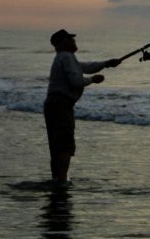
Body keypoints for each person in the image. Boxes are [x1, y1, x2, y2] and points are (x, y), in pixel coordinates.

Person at [44, 29, 120, 184]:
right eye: (70, 39)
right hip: (61, 105)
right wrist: (93, 80)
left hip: (54, 105)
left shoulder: (64, 58)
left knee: (56, 146)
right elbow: (76, 81)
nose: (74, 41)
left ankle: (57, 179)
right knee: (65, 145)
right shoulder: (67, 57)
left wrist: (106, 64)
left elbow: (85, 66)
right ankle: (62, 181)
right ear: (63, 43)